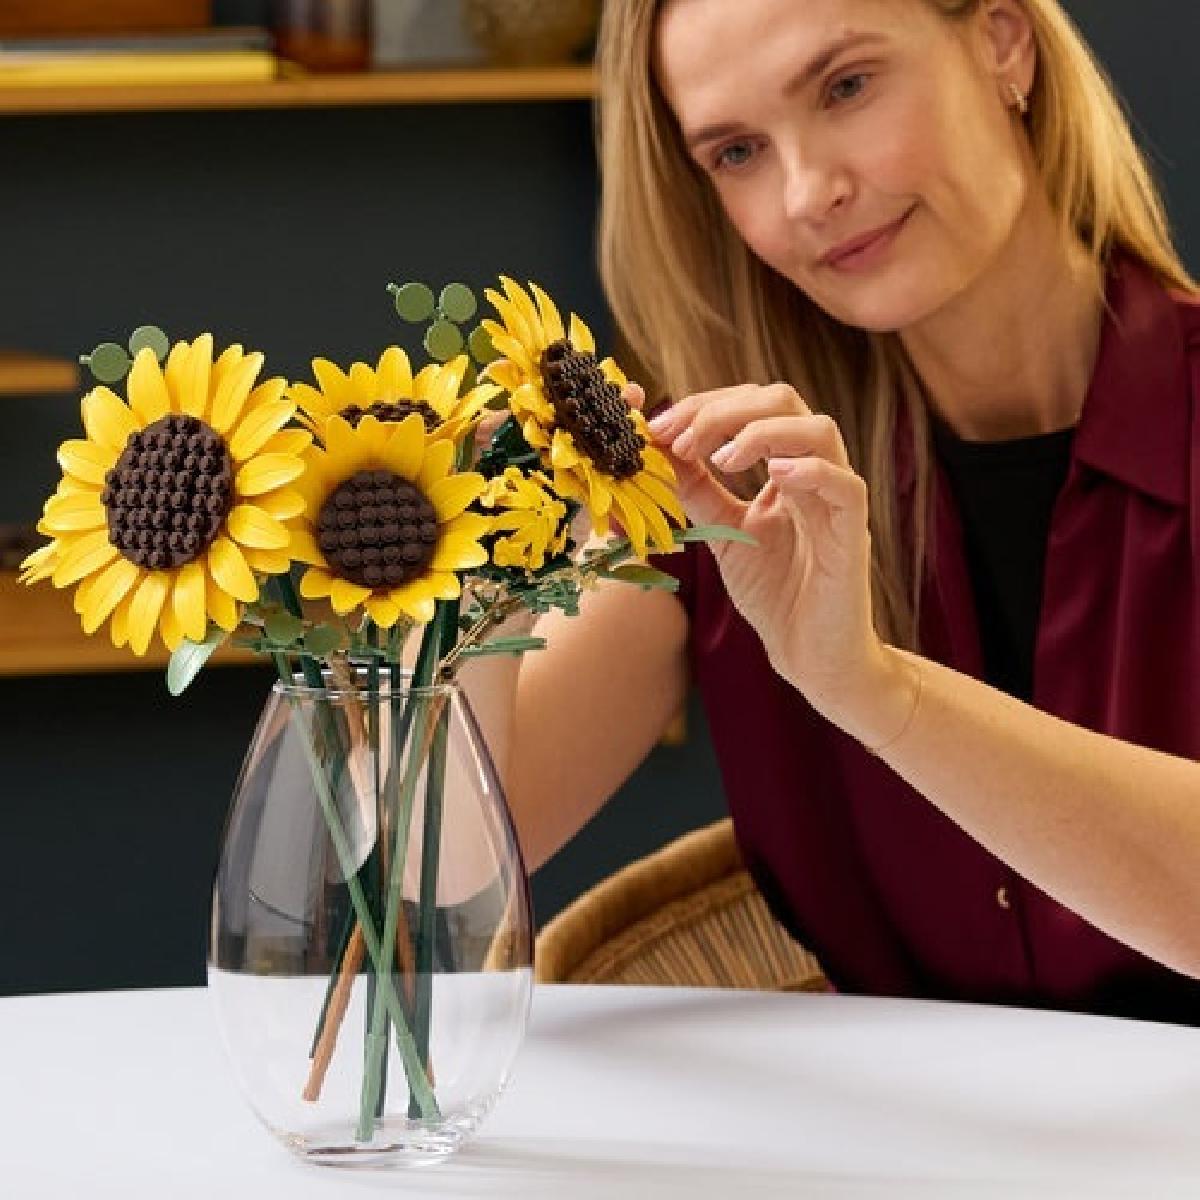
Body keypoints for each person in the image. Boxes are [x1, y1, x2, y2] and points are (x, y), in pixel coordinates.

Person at [463, 0, 1200, 1023]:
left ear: (1001, 39)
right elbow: (441, 865)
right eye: (737, 151)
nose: (811, 192)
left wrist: (872, 688)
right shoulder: (725, 497)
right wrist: (479, 553)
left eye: (846, 87)